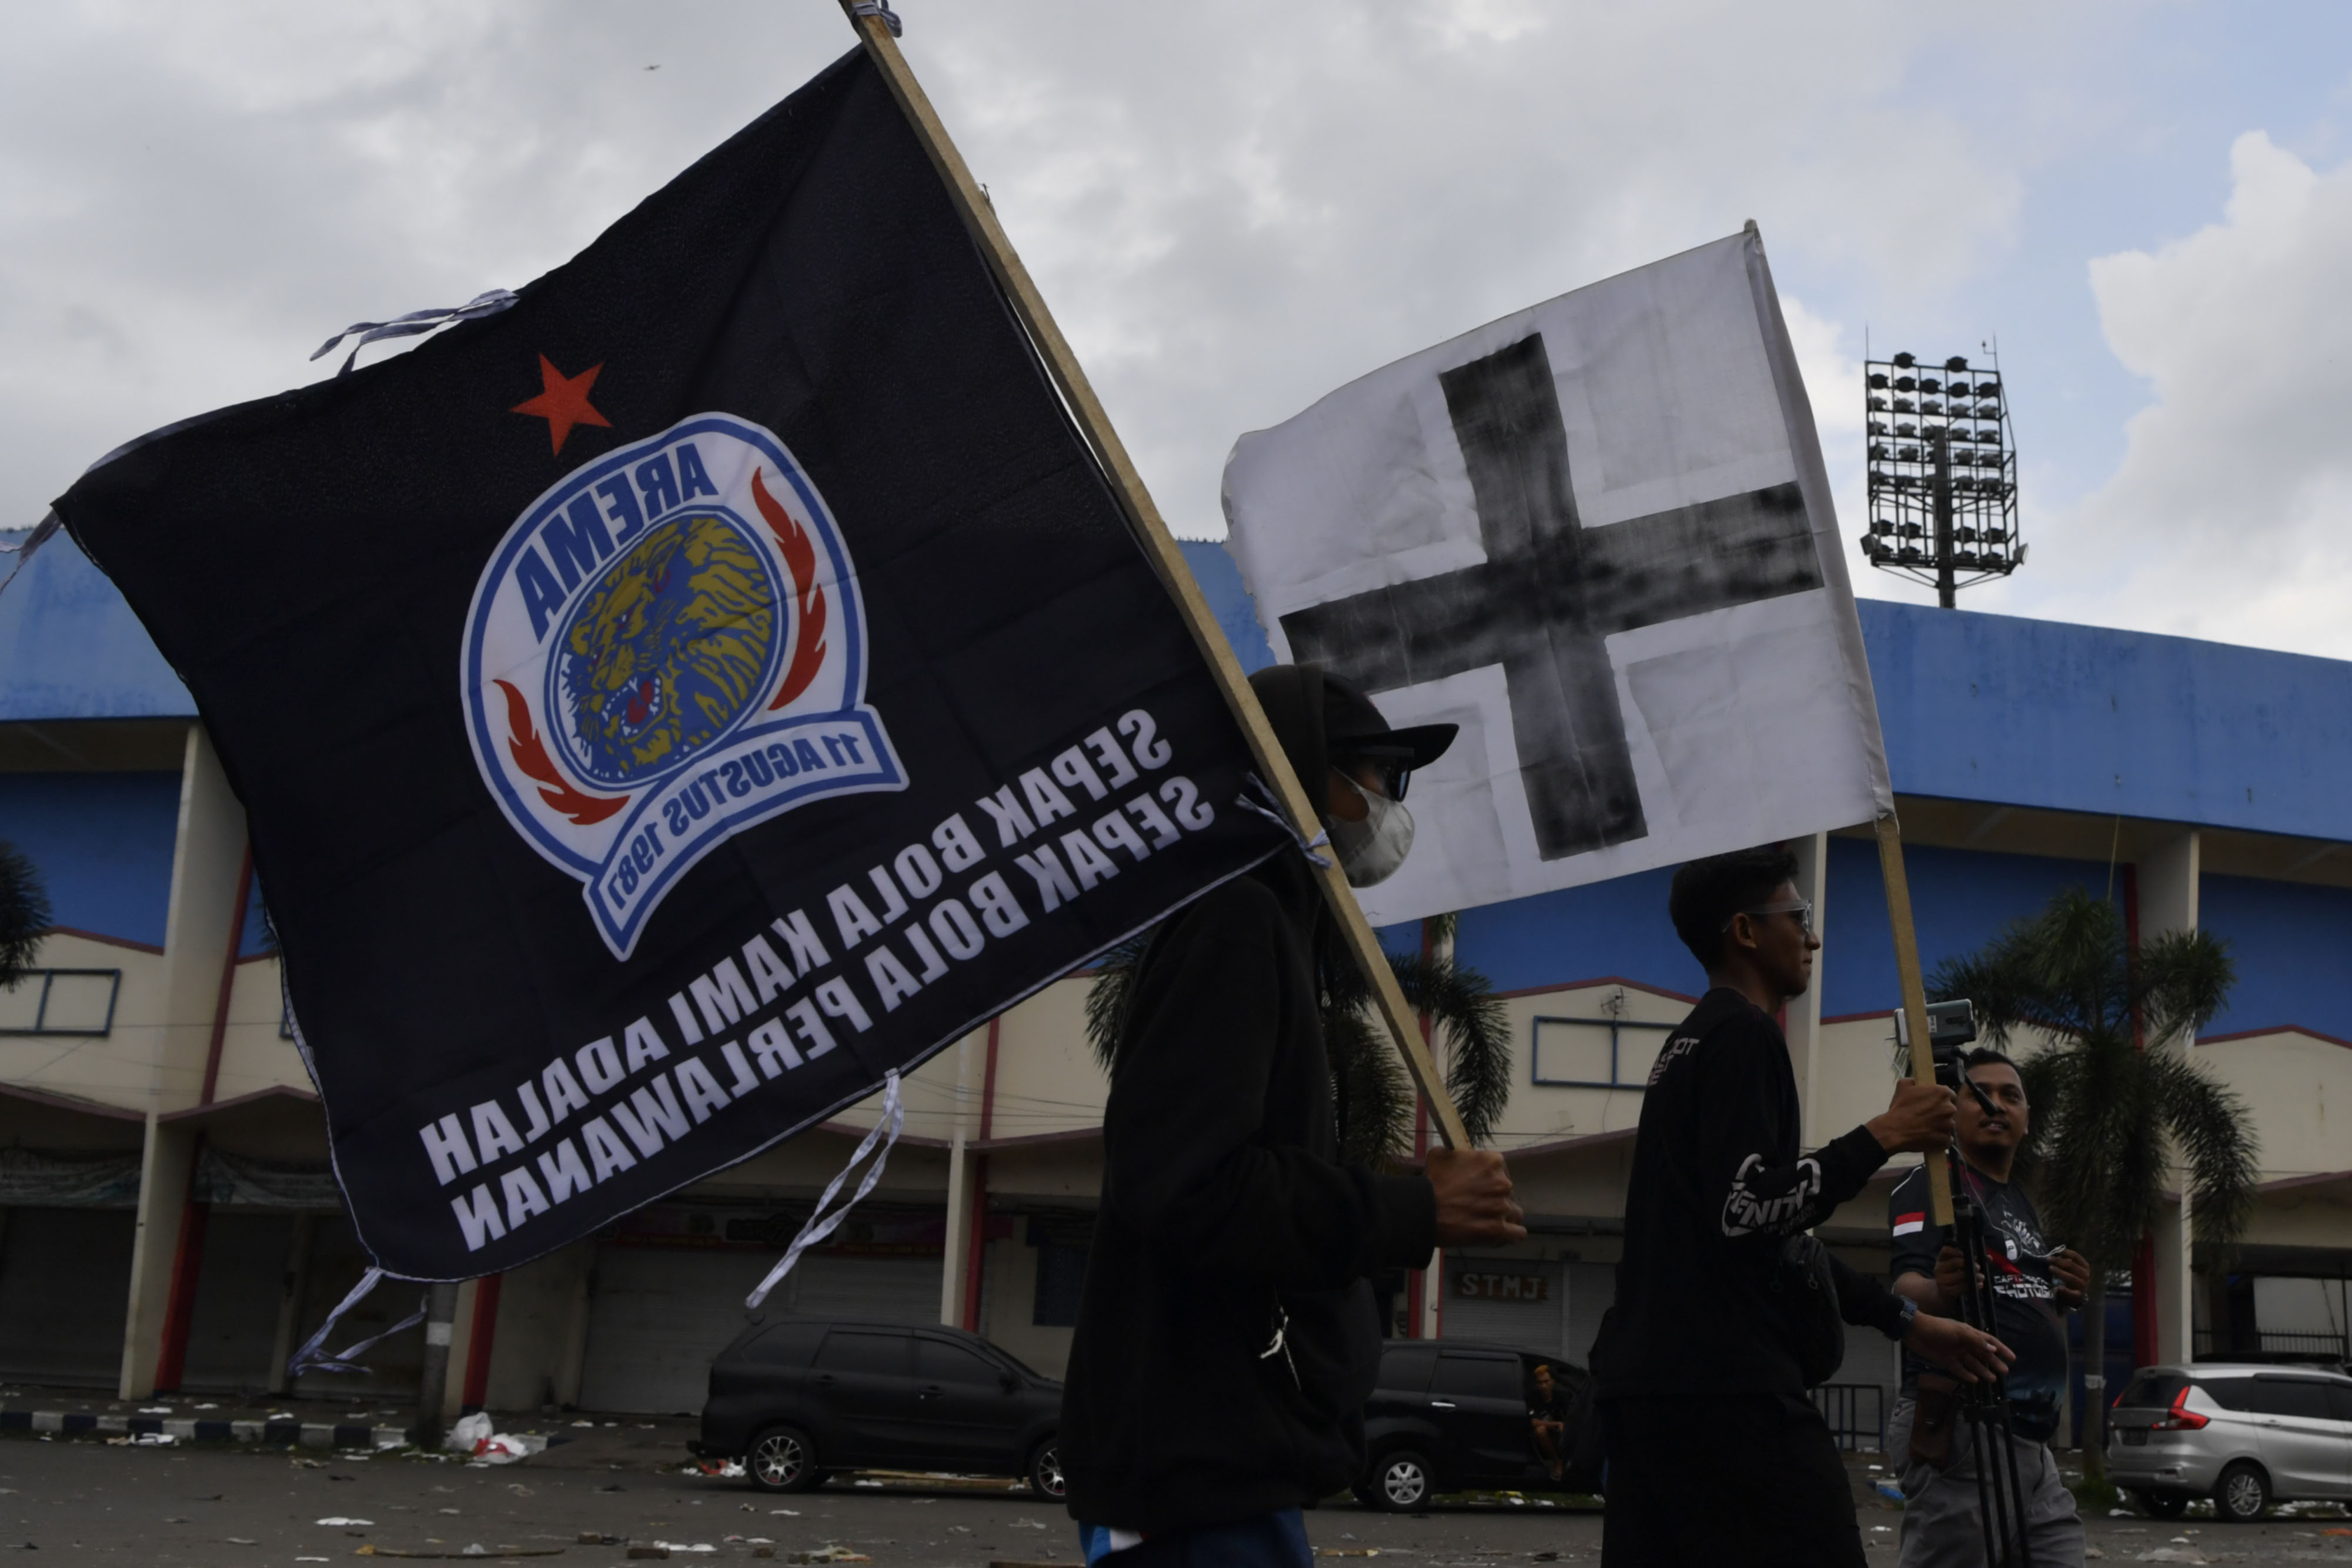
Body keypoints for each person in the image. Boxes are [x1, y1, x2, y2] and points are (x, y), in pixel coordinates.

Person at [1060, 664, 1527, 1568]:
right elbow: (1192, 1186)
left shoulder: (1272, 920)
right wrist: (1413, 1210)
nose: (1390, 802)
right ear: (1305, 768)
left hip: (1231, 1464)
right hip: (1191, 1477)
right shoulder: (1234, 918)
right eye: (1379, 773)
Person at [1591, 845, 2014, 1568]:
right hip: (1726, 1395)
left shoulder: (1689, 1044)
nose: (1812, 938)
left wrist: (1908, 1324)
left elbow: (1776, 1240)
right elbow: (1746, 1211)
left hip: (1649, 1396)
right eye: (1798, 916)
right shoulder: (1743, 1034)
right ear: (1745, 932)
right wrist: (1884, 1135)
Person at [1886, 1048, 2093, 1568]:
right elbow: (1903, 1289)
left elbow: (2016, 1297)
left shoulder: (2018, 1200)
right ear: (1951, 1110)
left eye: (2010, 1095)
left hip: (2030, 1440)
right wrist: (1940, 1291)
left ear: (2027, 1119)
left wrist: (2063, 1294)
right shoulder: (1932, 1183)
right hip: (1964, 1429)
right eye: (1978, 1094)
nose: (1995, 1104)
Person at [1528, 1362, 1568, 1483]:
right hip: (1542, 1438)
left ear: (1552, 1382)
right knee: (1540, 1430)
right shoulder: (1533, 1398)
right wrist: (1556, 1424)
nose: (1544, 1386)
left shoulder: (1561, 1397)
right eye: (1540, 1383)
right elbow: (1534, 1422)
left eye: (1546, 1381)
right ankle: (1557, 1462)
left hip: (1560, 1435)